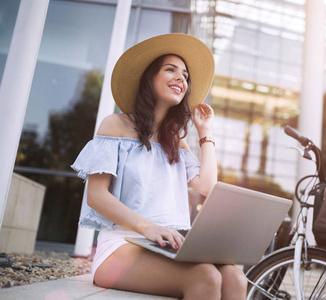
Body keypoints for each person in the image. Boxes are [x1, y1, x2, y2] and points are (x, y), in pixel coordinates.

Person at [71, 33, 247, 300]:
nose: (181, 78)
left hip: (167, 245)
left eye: (185, 75)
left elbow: (208, 186)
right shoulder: (115, 125)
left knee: (235, 276)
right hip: (121, 245)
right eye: (170, 70)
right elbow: (96, 196)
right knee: (207, 276)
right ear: (149, 78)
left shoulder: (177, 142)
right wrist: (147, 227)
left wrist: (205, 132)